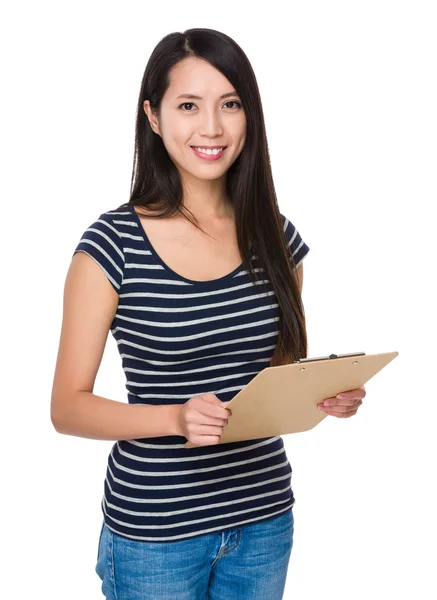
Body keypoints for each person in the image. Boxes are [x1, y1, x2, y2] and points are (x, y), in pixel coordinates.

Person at [51, 27, 365, 600]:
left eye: (231, 104)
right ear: (152, 115)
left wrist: (323, 394)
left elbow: (277, 372)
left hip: (264, 518)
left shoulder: (278, 237)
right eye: (189, 106)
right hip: (156, 535)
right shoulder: (112, 244)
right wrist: (174, 418)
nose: (212, 128)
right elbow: (67, 408)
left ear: (251, 116)